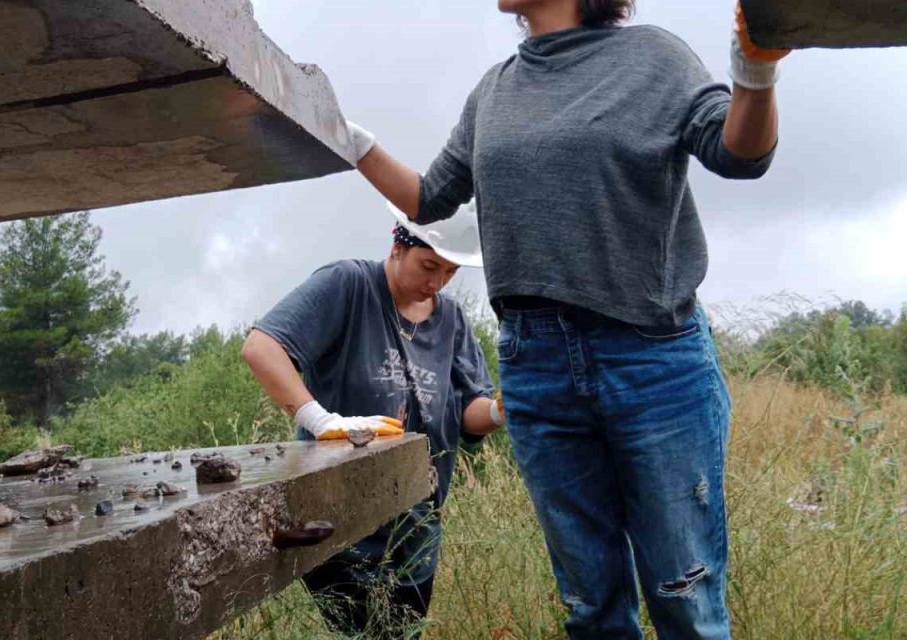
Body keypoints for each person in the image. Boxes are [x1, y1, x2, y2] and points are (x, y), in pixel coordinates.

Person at [335, 1, 789, 638]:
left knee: (684, 596)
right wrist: (349, 140)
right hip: (536, 367)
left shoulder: (654, 57)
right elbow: (429, 197)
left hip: (652, 359)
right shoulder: (494, 90)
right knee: (592, 606)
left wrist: (755, 72)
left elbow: (740, 154)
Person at [241, 203, 505, 639]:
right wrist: (321, 420)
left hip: (417, 527)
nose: (437, 283)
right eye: (429, 266)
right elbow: (261, 348)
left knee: (404, 634)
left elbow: (470, 414)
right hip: (337, 520)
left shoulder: (452, 319)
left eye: (450, 272)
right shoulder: (349, 284)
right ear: (398, 245)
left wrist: (500, 409)